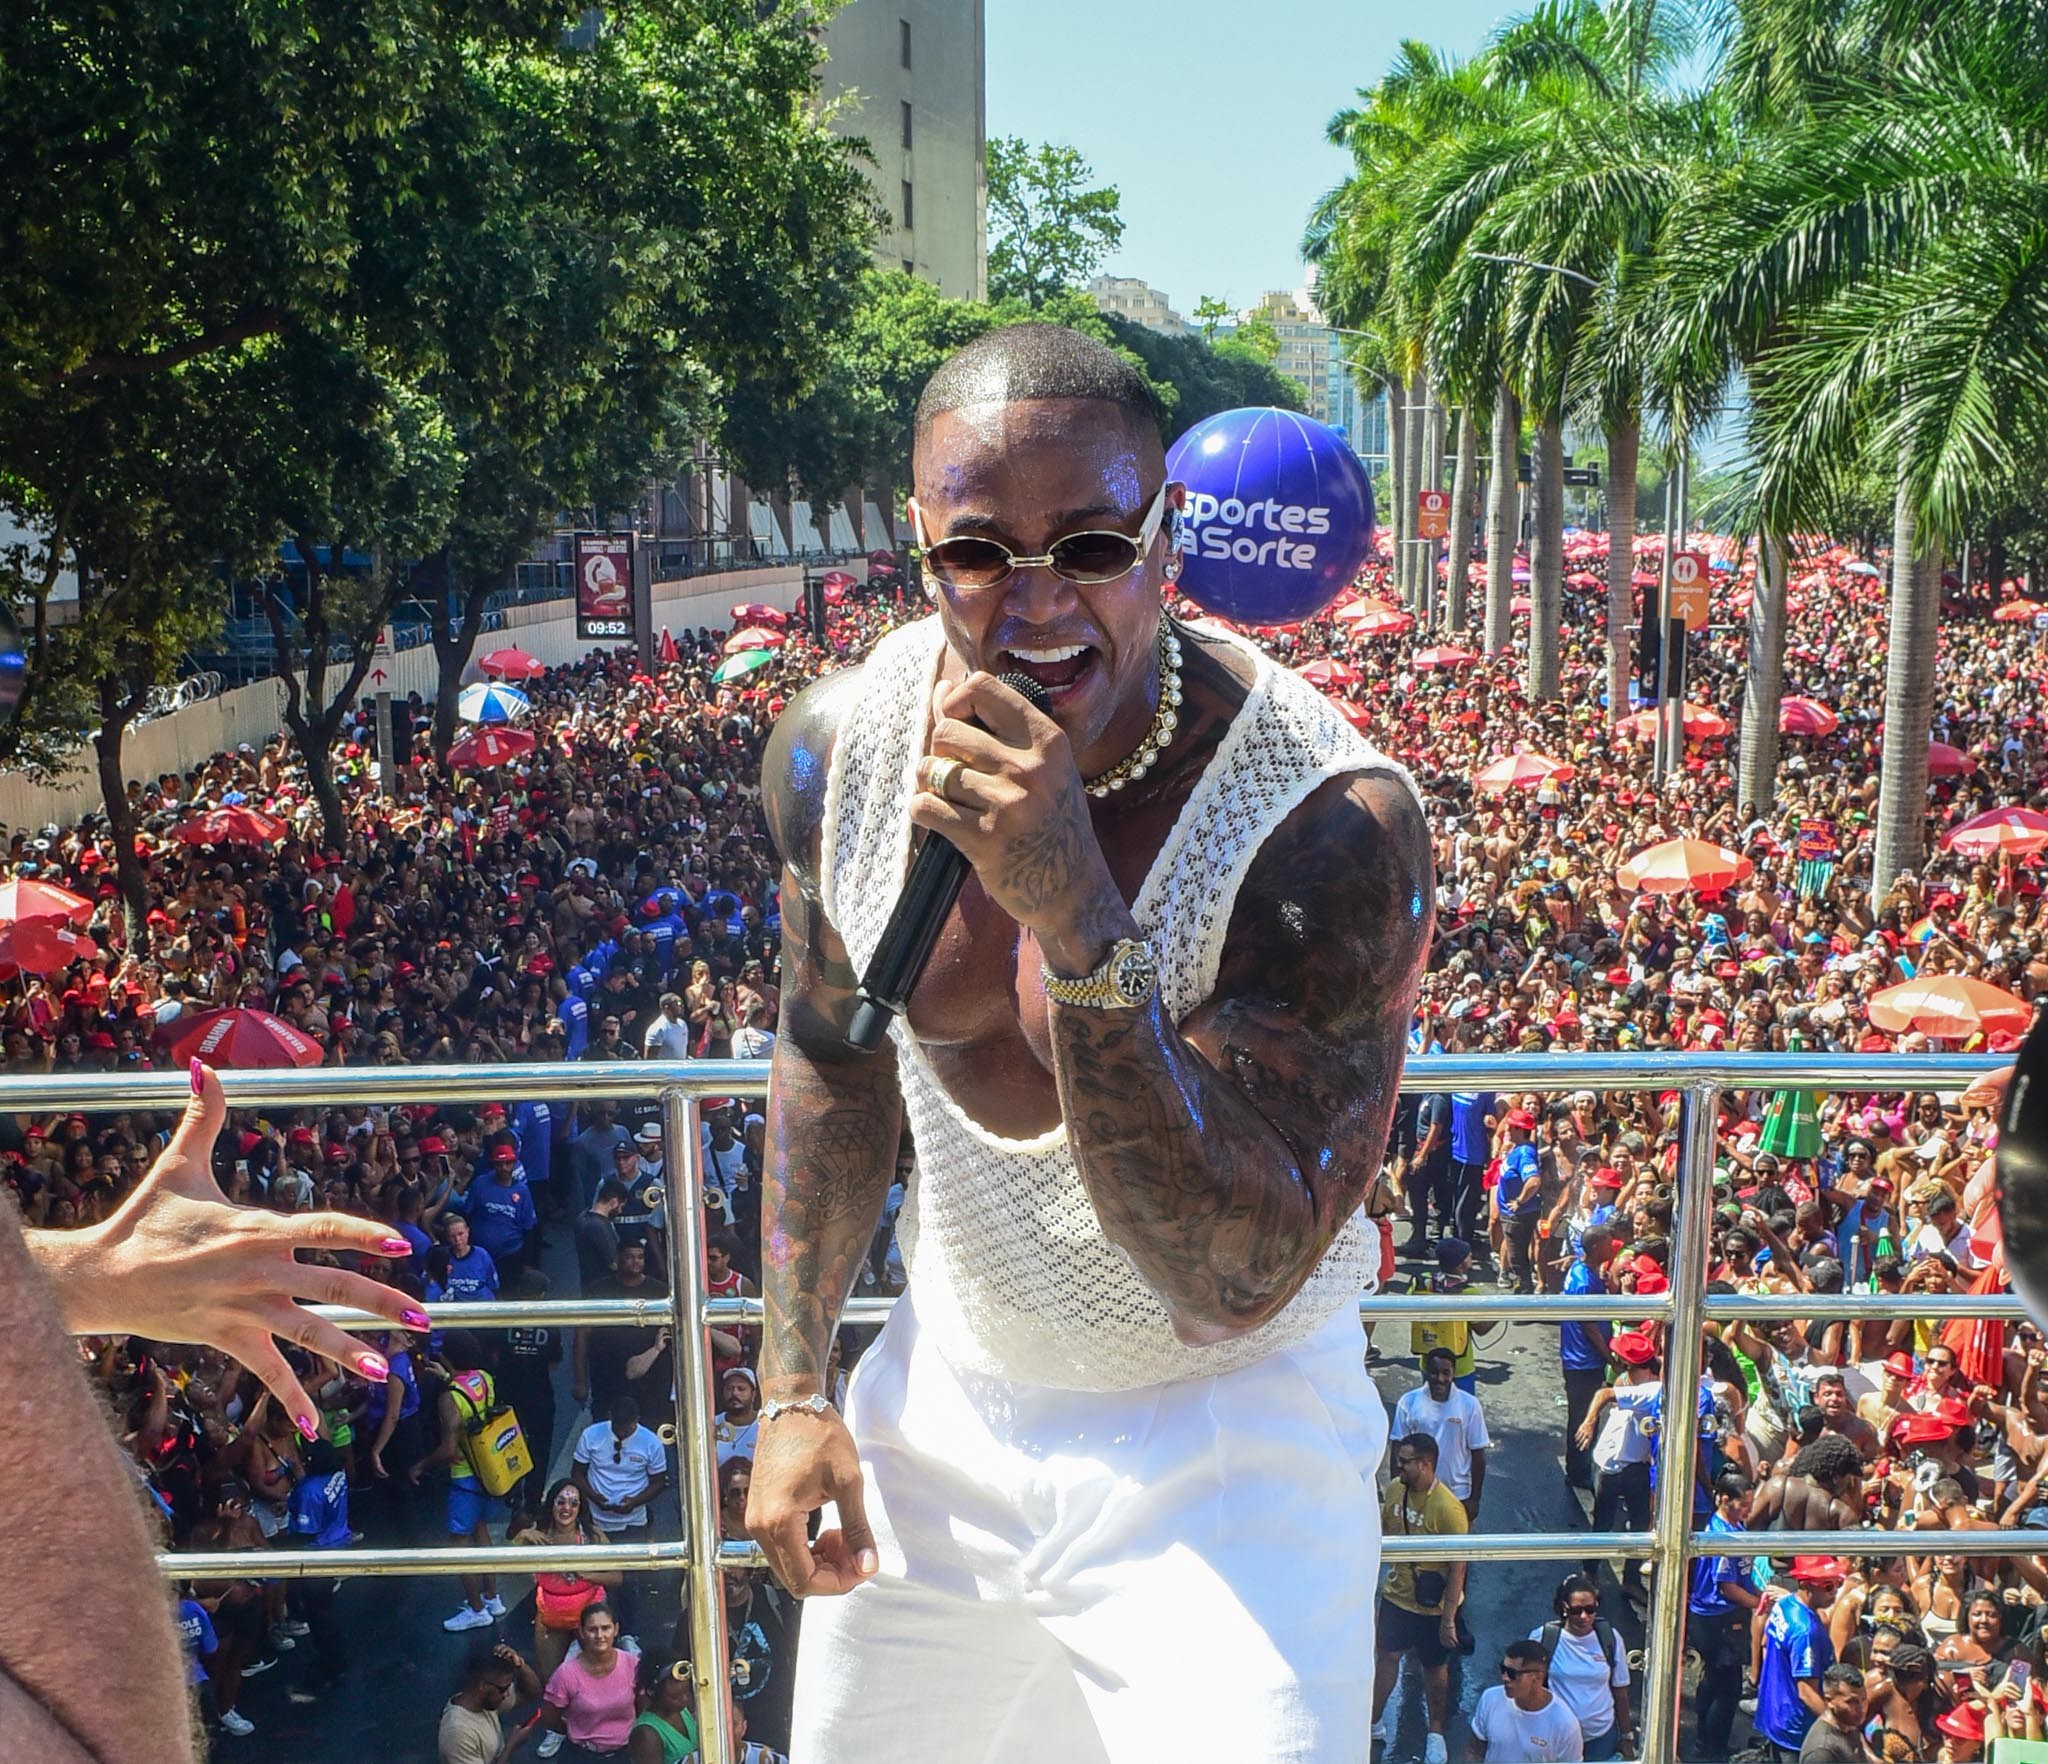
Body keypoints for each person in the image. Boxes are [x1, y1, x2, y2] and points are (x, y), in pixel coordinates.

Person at [750, 321, 1432, 1762]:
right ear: (918, 541)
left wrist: (1081, 924)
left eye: (1095, 550)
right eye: (982, 552)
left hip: (1228, 1443)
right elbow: (831, 1046)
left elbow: (1229, 1278)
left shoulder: (1324, 828)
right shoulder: (838, 748)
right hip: (947, 1396)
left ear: (1167, 540)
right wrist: (796, 1388)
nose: (1038, 602)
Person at [1373, 1432, 1470, 1764]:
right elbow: (1383, 1533)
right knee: (1386, 1657)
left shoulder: (1449, 1509)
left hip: (1433, 1607)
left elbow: (1459, 1568)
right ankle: (1373, 1722)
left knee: (1435, 1669)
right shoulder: (1398, 1491)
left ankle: (1436, 1732)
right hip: (1398, 1598)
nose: (1399, 1465)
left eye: (1405, 1461)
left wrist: (1448, 1620)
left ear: (1426, 1463)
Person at [513, 1478, 620, 1689]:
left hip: (590, 1617)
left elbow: (617, 1577)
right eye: (560, 1502)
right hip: (551, 1618)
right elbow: (507, 1560)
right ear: (551, 1504)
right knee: (552, 1683)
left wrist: (587, 1575)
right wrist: (522, 1535)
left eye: (573, 1503)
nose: (566, 1508)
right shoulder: (538, 1535)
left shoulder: (592, 1535)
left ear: (580, 1508)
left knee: (597, 1677)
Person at [503, 1602, 641, 1760]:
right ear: (581, 1632)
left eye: (605, 1628)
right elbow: (550, 1716)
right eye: (592, 1629)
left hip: (625, 1753)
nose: (600, 1635)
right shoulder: (566, 1674)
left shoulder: (632, 1664)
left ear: (615, 1630)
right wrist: (576, 1733)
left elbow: (642, 1704)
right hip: (583, 1755)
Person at [1688, 1470, 1761, 1760]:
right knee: (1727, 1688)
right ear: (1724, 1499)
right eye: (1743, 1504)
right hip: (1716, 1619)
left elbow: (1741, 1577)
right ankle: (1711, 1747)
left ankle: (1707, 1741)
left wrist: (1757, 1593)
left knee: (1714, 1680)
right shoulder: (1720, 1535)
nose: (1748, 1510)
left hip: (1723, 1615)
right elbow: (1728, 1586)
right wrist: (1758, 1602)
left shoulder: (1735, 1528)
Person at [1530, 1575, 1633, 1762]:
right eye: (1577, 1610)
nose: (1584, 1617)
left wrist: (1626, 1736)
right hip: (1556, 1738)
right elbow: (1527, 1688)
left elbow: (1620, 1691)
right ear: (1564, 1608)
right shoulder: (1542, 1638)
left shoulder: (1610, 1638)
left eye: (1590, 1609)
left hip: (1601, 1738)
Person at [1757, 1557, 1844, 1760]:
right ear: (1805, 1585)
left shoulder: (1785, 1604)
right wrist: (1837, 1728)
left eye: (1838, 1584)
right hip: (1795, 1728)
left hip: (1775, 1712)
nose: (1835, 1592)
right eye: (1828, 1586)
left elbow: (1765, 1643)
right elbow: (1806, 1692)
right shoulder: (1806, 1632)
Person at [1392, 1346, 1492, 1518]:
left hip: (1457, 1495)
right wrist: (1397, 1493)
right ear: (1426, 1372)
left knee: (1456, 1545)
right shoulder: (1408, 1402)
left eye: (1446, 1373)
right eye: (1434, 1372)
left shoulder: (1470, 1405)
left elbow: (1478, 1456)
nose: (1440, 1379)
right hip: (1417, 1493)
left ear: (1454, 1373)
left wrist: (1474, 1499)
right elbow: (1396, 1449)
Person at [1468, 1640, 1584, 1762]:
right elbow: (1474, 1750)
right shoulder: (1490, 1698)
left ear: (1537, 1677)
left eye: (1512, 1674)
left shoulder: (1565, 1724)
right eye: (1503, 1669)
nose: (1505, 1678)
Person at [439, 1643, 543, 1764]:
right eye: (503, 1689)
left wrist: (520, 1665)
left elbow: (532, 1693)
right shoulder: (458, 1734)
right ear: (482, 1686)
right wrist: (511, 1746)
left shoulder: (486, 1701)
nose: (507, 1694)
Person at [627, 1653, 700, 1764]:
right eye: (675, 1697)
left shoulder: (683, 1709)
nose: (685, 1699)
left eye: (687, 1693)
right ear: (652, 1692)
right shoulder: (646, 1734)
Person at [1798, 1663, 1868, 1762]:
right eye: (1851, 1702)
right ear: (1829, 1701)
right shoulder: (1822, 1752)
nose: (1861, 1708)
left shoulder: (1849, 1724)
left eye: (1864, 1699)